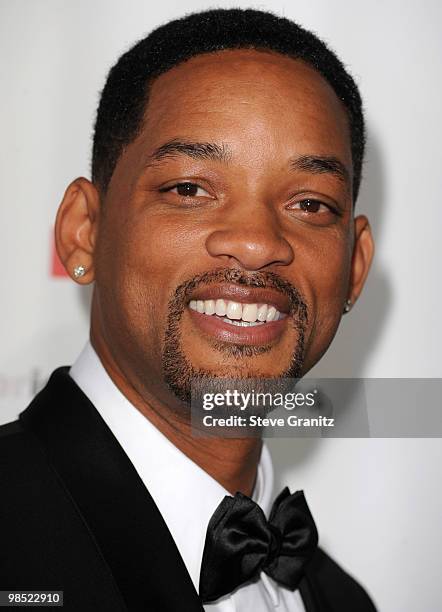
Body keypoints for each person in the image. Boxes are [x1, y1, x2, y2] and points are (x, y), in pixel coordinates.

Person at [0, 8, 376, 611]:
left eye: (310, 203)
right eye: (189, 190)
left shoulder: (343, 600)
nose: (257, 242)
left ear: (354, 268)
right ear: (83, 232)